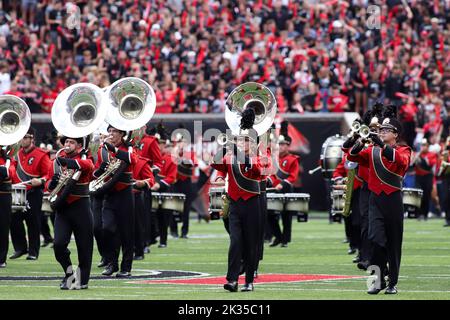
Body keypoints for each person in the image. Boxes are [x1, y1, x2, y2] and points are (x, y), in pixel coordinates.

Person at [345, 106, 412, 295]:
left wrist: (382, 146)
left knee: (393, 243)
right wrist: (358, 143)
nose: (381, 132)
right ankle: (377, 281)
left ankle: (392, 283)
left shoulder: (404, 149)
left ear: (395, 134)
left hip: (393, 201)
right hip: (375, 201)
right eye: (380, 130)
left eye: (386, 130)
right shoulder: (372, 150)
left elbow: (401, 162)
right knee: (375, 240)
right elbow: (352, 157)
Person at [211, 108, 269, 292]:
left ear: (253, 143)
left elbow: (257, 170)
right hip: (235, 202)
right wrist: (226, 147)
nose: (241, 143)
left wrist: (237, 150)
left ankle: (249, 280)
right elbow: (218, 163)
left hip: (253, 203)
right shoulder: (232, 155)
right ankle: (232, 280)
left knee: (251, 243)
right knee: (235, 242)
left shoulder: (261, 158)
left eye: (245, 141)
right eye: (239, 140)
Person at [45, 136, 94, 289]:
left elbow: (89, 166)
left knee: (84, 247)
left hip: (81, 206)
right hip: (63, 208)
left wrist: (69, 162)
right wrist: (52, 182)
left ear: (79, 145)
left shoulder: (84, 158)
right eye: (66, 142)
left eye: (71, 142)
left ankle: (83, 280)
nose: (67, 145)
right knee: (58, 244)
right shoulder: (57, 161)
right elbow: (48, 183)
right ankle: (69, 274)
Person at [92, 125, 137, 277]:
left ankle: (126, 267)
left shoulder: (129, 147)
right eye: (109, 131)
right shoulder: (103, 150)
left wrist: (114, 149)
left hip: (125, 194)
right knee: (107, 229)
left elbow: (132, 159)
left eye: (114, 132)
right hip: (109, 194)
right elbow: (96, 170)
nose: (111, 134)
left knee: (126, 232)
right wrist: (98, 172)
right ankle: (112, 263)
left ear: (122, 134)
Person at [10, 127, 51, 261]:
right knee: (14, 219)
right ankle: (20, 248)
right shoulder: (16, 154)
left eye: (25, 137)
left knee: (32, 221)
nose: (22, 140)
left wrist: (40, 180)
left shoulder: (42, 154)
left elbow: (49, 174)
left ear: (32, 138)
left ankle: (33, 252)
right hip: (18, 191)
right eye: (21, 137)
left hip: (34, 191)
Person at [267, 130, 300, 248]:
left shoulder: (293, 159)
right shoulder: (273, 158)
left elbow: (293, 176)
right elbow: (270, 173)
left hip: (286, 189)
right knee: (269, 214)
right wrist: (269, 182)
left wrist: (282, 184)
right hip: (273, 190)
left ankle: (285, 240)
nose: (280, 146)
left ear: (288, 146)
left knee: (286, 215)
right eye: (279, 144)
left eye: (283, 144)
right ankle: (278, 237)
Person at [151, 130, 177, 248]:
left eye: (159, 144)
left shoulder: (170, 158)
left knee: (165, 216)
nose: (157, 146)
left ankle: (163, 240)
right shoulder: (149, 158)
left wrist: (159, 184)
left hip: (165, 190)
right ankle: (150, 238)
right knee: (151, 216)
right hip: (150, 189)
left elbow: (172, 177)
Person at [132, 154, 155, 260]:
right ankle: (109, 258)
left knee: (137, 225)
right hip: (112, 194)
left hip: (135, 195)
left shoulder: (141, 161)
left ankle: (138, 250)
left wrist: (143, 182)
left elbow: (150, 179)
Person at [0, 147, 17, 268]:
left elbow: (10, 174)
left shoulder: (8, 159)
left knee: (2, 227)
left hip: (3, 196)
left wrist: (6, 165)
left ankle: (1, 259)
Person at [414, 138, 437, 221]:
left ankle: (425, 214)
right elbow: (412, 163)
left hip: (427, 177)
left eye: (425, 145)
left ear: (428, 146)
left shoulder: (432, 154)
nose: (423, 147)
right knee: (419, 195)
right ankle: (418, 214)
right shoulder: (417, 154)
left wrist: (421, 157)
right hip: (418, 177)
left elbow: (429, 164)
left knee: (426, 195)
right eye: (422, 145)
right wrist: (418, 154)